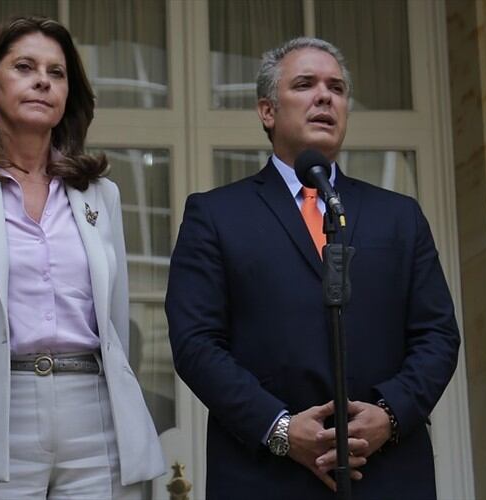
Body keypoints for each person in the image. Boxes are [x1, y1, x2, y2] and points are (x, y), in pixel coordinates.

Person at [165, 37, 461, 499]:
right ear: (267, 111)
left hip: (386, 471)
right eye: (305, 84)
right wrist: (280, 428)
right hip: (263, 473)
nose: (325, 96)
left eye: (337, 88)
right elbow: (195, 342)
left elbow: (438, 333)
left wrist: (389, 414)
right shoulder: (216, 215)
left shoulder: (399, 215)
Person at [0, 16, 164, 499]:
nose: (43, 80)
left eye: (56, 73)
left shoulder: (100, 195)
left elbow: (116, 325)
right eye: (25, 67)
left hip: (94, 413)